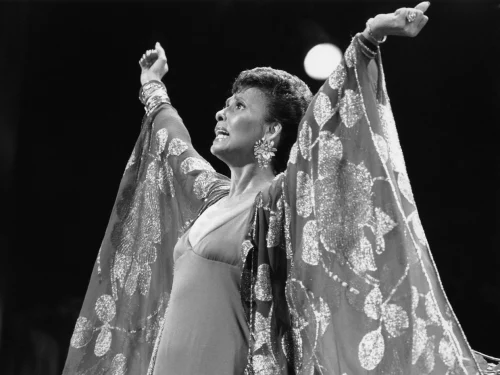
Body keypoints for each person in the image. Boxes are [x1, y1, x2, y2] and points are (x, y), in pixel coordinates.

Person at [62, 2, 498, 374]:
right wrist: (152, 86)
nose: (220, 113)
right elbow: (174, 143)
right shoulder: (212, 196)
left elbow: (327, 138)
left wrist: (367, 40)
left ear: (271, 129)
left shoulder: (280, 202)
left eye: (237, 106)